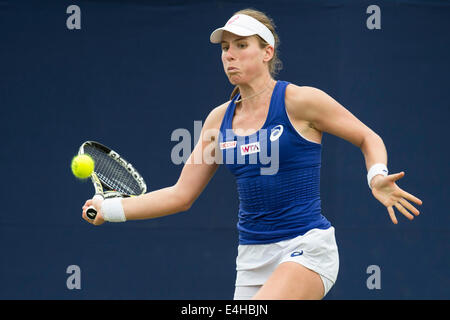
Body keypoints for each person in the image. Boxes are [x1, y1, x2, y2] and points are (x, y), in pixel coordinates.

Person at [82, 8, 423, 300]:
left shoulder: (301, 101)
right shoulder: (218, 120)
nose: (229, 54)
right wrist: (110, 209)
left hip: (307, 248)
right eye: (225, 48)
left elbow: (367, 136)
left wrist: (376, 175)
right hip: (251, 260)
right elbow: (180, 195)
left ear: (267, 52)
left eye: (241, 45)